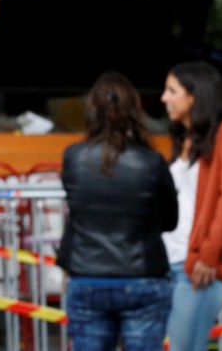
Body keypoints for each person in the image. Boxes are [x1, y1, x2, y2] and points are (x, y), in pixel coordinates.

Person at [57, 70, 178, 351]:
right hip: (142, 275)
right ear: (135, 110)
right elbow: (170, 221)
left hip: (87, 273)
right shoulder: (151, 161)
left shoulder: (74, 157)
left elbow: (77, 208)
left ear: (93, 109)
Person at [160, 60, 222, 351]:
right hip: (170, 261)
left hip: (198, 266)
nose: (164, 98)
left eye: (171, 90)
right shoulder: (182, 139)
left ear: (194, 95)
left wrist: (208, 256)